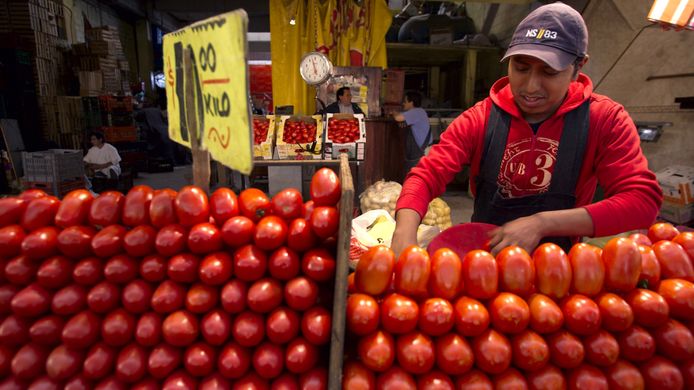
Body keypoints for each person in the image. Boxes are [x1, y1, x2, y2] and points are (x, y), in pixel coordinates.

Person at [391, 2, 662, 256]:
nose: (531, 86)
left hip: (559, 268)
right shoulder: (481, 118)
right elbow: (426, 176)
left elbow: (642, 201)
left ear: (579, 67)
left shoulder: (604, 120)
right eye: (520, 68)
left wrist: (543, 223)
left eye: (549, 72)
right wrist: (404, 233)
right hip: (483, 265)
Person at [393, 91, 432, 172]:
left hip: (421, 153)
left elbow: (398, 118)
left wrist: (393, 112)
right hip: (420, 152)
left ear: (411, 102)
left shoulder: (416, 112)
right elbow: (403, 124)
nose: (403, 103)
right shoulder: (419, 112)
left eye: (405, 101)